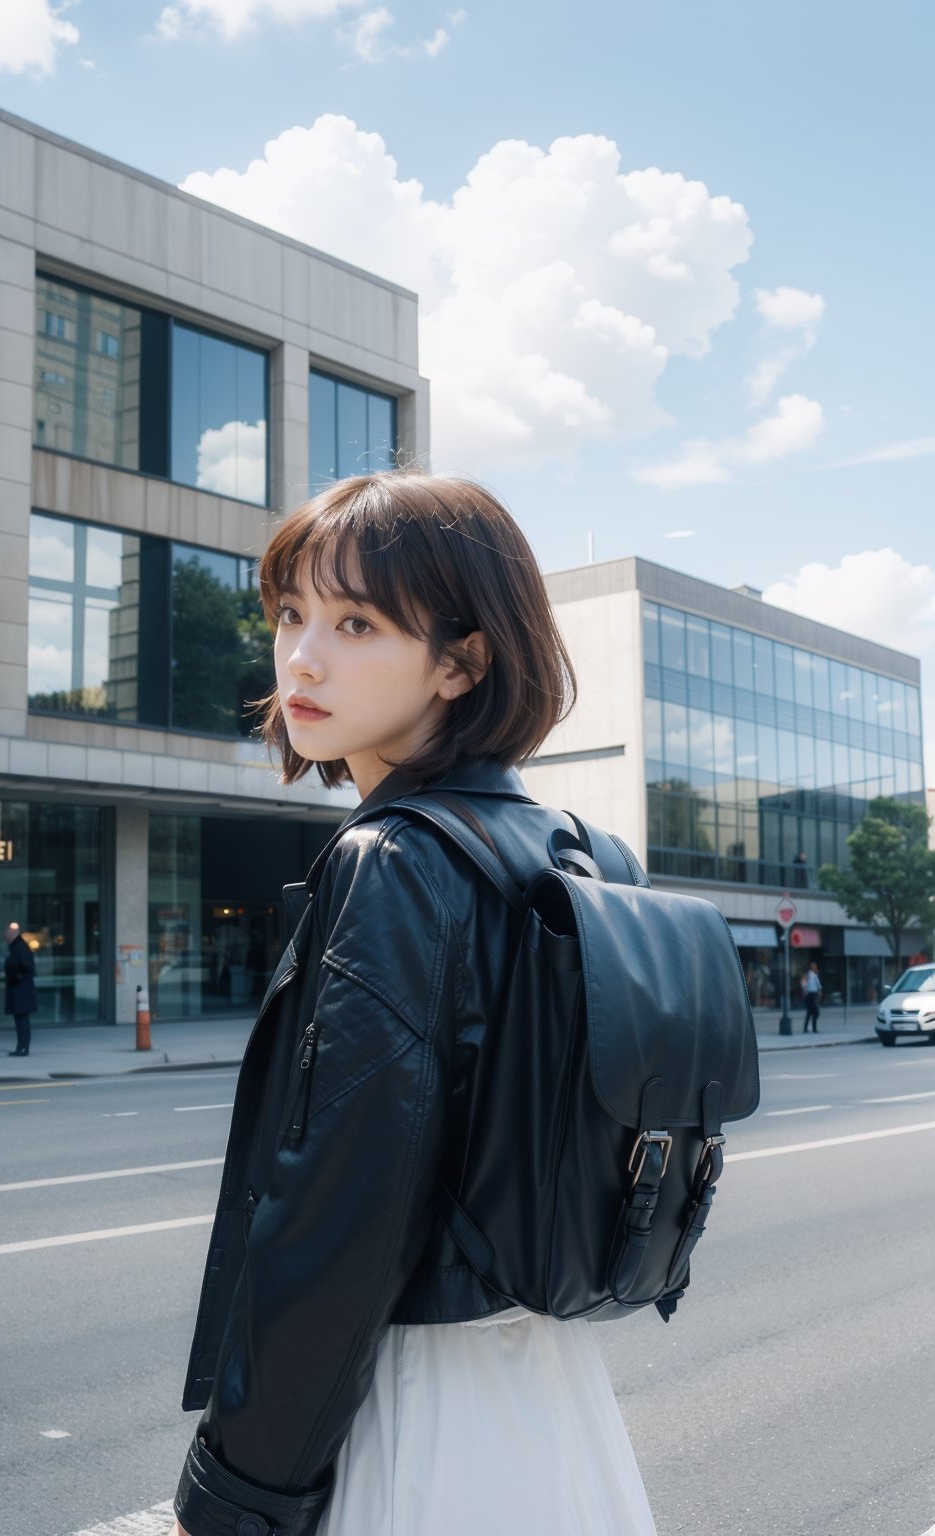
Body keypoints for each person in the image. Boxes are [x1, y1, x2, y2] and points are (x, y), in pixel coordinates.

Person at [171, 472, 658, 1536]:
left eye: (355, 623)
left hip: (405, 1416)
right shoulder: (573, 851)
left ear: (460, 660)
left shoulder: (393, 857)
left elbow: (337, 1219)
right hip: (546, 1396)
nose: (301, 657)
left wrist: (235, 1496)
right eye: (291, 613)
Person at [4, 922, 38, 1056]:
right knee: (21, 1019)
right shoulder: (17, 947)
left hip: (21, 990)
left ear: (13, 934)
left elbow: (28, 968)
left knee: (22, 1020)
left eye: (8, 933)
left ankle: (23, 1048)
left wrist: (16, 976)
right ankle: (22, 1047)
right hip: (20, 989)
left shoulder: (20, 947)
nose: (5, 935)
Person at [803, 960, 823, 1032]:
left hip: (813, 994)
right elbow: (804, 984)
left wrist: (819, 991)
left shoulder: (814, 975)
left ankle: (808, 1028)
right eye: (814, 966)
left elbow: (818, 984)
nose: (815, 967)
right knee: (815, 1011)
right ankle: (813, 1028)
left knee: (810, 1012)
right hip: (811, 994)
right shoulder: (809, 975)